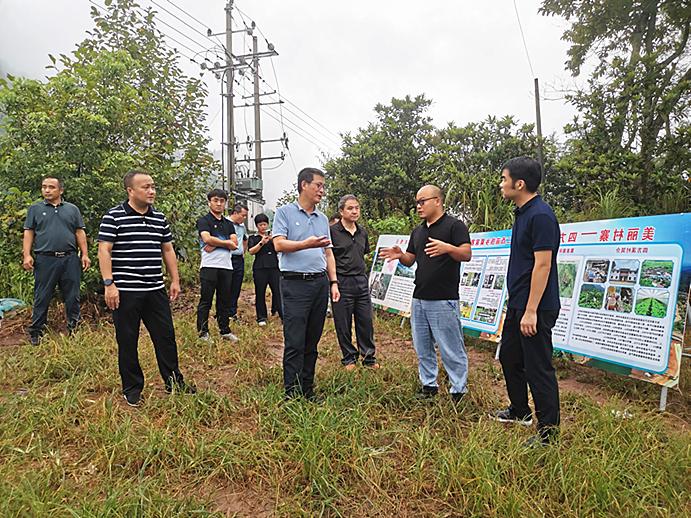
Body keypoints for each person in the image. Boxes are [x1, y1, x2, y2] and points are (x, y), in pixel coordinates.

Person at [98, 169, 195, 407]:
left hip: (155, 289)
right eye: (145, 187)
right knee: (128, 339)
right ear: (130, 190)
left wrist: (175, 280)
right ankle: (132, 388)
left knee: (165, 337)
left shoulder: (159, 218)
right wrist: (109, 284)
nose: (151, 191)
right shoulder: (114, 216)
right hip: (126, 290)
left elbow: (168, 250)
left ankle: (174, 381)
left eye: (153, 186)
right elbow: (104, 250)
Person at [491, 156, 561, 447]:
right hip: (520, 303)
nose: (501, 184)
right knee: (509, 356)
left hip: (537, 307)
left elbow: (543, 266)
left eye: (504, 179)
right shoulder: (523, 213)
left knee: (538, 367)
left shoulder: (541, 216)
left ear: (519, 184)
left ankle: (548, 434)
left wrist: (531, 310)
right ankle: (519, 410)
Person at [380, 185, 471, 403]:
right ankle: (428, 385)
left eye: (422, 201)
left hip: (444, 298)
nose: (418, 206)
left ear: (437, 201)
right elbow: (411, 259)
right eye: (417, 202)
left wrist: (448, 248)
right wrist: (400, 255)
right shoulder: (418, 231)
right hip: (419, 297)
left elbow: (466, 254)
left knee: (451, 347)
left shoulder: (454, 226)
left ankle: (458, 390)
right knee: (423, 346)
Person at [273, 167, 340, 400]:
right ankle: (291, 393)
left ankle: (307, 390)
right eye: (318, 185)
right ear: (304, 185)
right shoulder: (284, 213)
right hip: (294, 284)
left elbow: (328, 253)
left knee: (313, 340)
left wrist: (333, 282)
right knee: (295, 341)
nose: (322, 190)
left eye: (323, 186)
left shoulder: (322, 219)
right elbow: (279, 245)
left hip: (319, 284)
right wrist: (306, 244)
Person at [22, 177, 91, 345]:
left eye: (51, 187)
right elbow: (29, 232)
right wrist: (27, 255)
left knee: (72, 296)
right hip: (45, 259)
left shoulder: (72, 209)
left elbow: (79, 232)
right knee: (42, 296)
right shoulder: (35, 209)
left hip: (69, 259)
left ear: (60, 190)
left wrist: (85, 254)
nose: (47, 190)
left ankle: (74, 329)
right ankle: (36, 332)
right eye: (44, 187)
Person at [330, 194, 378, 370]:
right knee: (343, 322)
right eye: (350, 208)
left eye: (357, 208)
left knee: (365, 321)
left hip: (361, 280)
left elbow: (363, 253)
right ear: (341, 211)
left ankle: (368, 358)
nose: (354, 211)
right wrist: (333, 282)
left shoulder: (362, 231)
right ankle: (349, 358)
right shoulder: (333, 232)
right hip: (342, 282)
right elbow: (329, 258)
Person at [196, 189, 239, 341]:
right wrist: (225, 242)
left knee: (224, 300)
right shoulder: (204, 221)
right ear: (209, 202)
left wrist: (217, 242)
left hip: (226, 267)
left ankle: (224, 330)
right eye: (215, 200)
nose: (219, 203)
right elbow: (206, 239)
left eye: (222, 201)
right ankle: (203, 332)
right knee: (206, 300)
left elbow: (235, 243)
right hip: (209, 266)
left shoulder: (229, 224)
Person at [247, 213, 282, 326]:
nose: (263, 227)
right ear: (257, 226)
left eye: (265, 224)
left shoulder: (274, 238)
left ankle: (282, 314)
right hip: (260, 268)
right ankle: (261, 317)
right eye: (260, 225)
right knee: (260, 292)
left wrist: (272, 240)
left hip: (274, 267)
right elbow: (251, 251)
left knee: (278, 291)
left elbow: (279, 249)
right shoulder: (253, 238)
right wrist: (262, 243)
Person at [227, 203, 249, 320]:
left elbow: (245, 239)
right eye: (243, 215)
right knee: (226, 285)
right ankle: (223, 311)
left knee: (236, 285)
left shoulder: (241, 226)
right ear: (235, 213)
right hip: (227, 258)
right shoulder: (225, 223)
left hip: (238, 259)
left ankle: (232, 312)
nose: (244, 218)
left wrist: (243, 252)